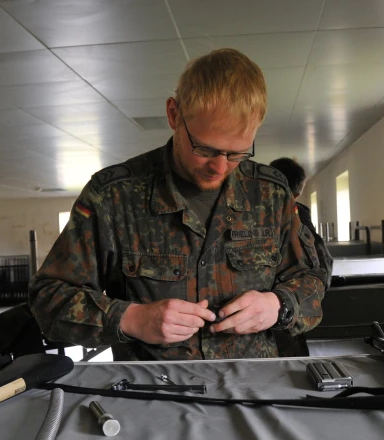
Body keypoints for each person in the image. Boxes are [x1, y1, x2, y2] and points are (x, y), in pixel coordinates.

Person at [29, 49, 328, 361]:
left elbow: (312, 281)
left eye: (238, 153)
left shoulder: (271, 194)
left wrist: (278, 306)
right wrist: (131, 319)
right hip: (153, 392)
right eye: (206, 149)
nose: (220, 167)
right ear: (174, 114)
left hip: (251, 387)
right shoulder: (113, 196)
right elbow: (48, 298)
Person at [269, 157, 333, 356]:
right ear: (299, 191)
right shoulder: (298, 213)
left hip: (284, 311)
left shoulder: (294, 214)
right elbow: (323, 265)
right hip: (286, 312)